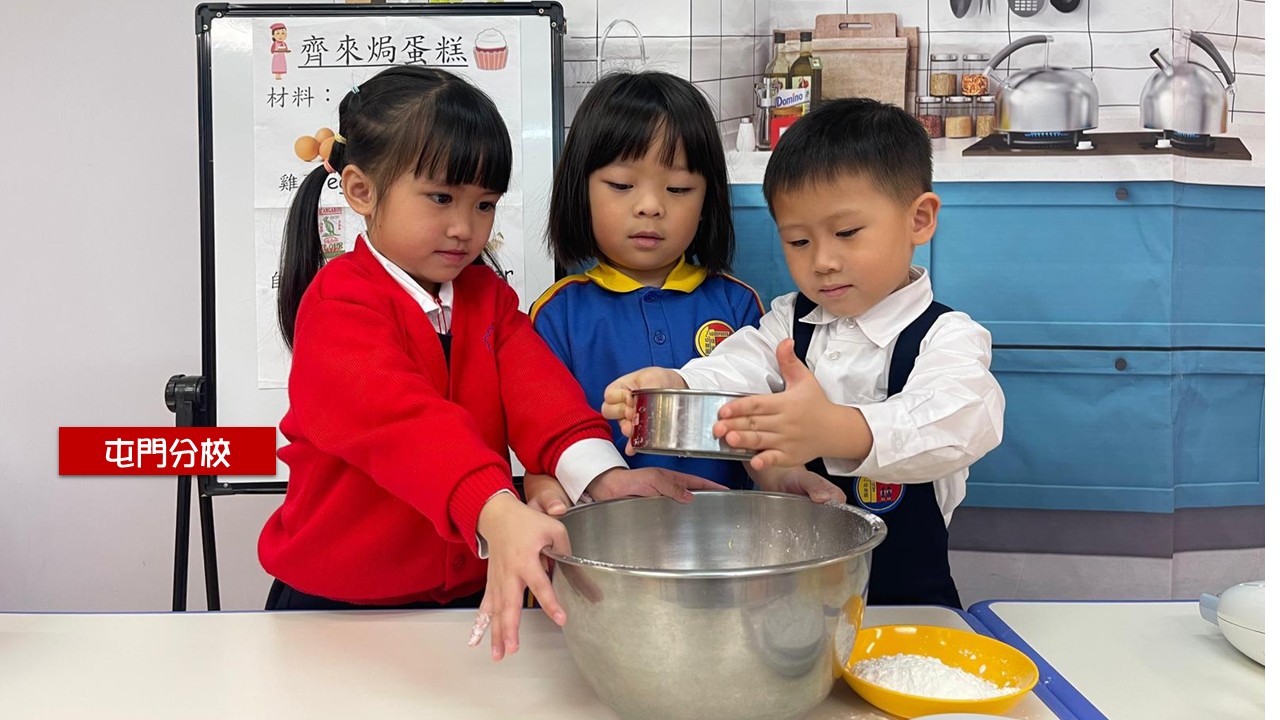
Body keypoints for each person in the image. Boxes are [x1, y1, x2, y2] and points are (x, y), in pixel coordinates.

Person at [259, 66, 720, 660]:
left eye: (484, 205)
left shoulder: (487, 298)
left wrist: (604, 477)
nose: (464, 228)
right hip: (337, 609)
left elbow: (542, 398)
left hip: (465, 596)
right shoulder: (338, 306)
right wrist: (496, 509)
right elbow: (404, 424)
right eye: (441, 198)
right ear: (361, 191)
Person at [601, 98, 1006, 608]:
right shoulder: (787, 321)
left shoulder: (947, 336)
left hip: (908, 597)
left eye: (846, 233)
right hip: (796, 595)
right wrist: (675, 384)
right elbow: (737, 365)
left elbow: (963, 421)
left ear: (919, 220)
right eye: (798, 241)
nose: (822, 261)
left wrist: (834, 429)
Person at [522, 71, 766, 514]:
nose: (651, 206)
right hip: (606, 540)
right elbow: (542, 445)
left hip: (725, 535)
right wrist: (543, 491)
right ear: (581, 190)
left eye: (678, 189)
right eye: (621, 185)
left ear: (707, 201)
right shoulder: (558, 314)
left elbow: (765, 439)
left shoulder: (738, 304)